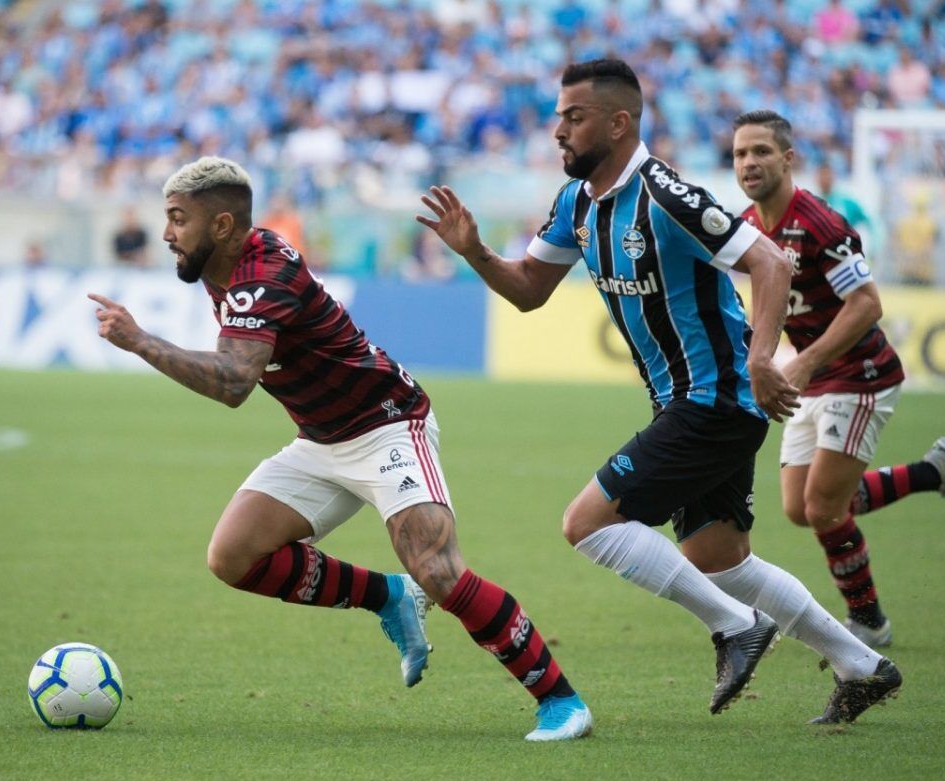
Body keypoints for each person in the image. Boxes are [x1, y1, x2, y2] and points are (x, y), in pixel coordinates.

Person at [417, 59, 900, 724]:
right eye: (559, 116)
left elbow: (770, 261)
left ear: (618, 124)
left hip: (718, 399)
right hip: (687, 401)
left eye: (574, 117)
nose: (558, 130)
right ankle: (863, 664)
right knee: (719, 558)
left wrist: (764, 358)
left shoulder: (665, 193)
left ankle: (736, 628)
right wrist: (474, 252)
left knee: (585, 522)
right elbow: (530, 288)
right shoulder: (577, 203)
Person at [89, 156, 591, 742]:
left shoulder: (264, 273)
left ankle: (560, 701)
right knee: (233, 557)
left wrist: (141, 340)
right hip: (323, 437)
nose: (168, 233)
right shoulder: (218, 263)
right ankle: (387, 596)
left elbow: (233, 382)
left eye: (178, 219)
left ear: (222, 225)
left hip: (386, 425)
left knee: (438, 568)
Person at [731, 110, 945, 648]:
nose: (749, 162)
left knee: (824, 507)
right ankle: (932, 472)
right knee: (799, 508)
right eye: (739, 153)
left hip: (861, 373)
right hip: (813, 378)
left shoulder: (822, 225)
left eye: (761, 151)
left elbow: (867, 304)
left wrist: (801, 363)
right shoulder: (750, 227)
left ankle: (870, 620)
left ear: (788, 159)